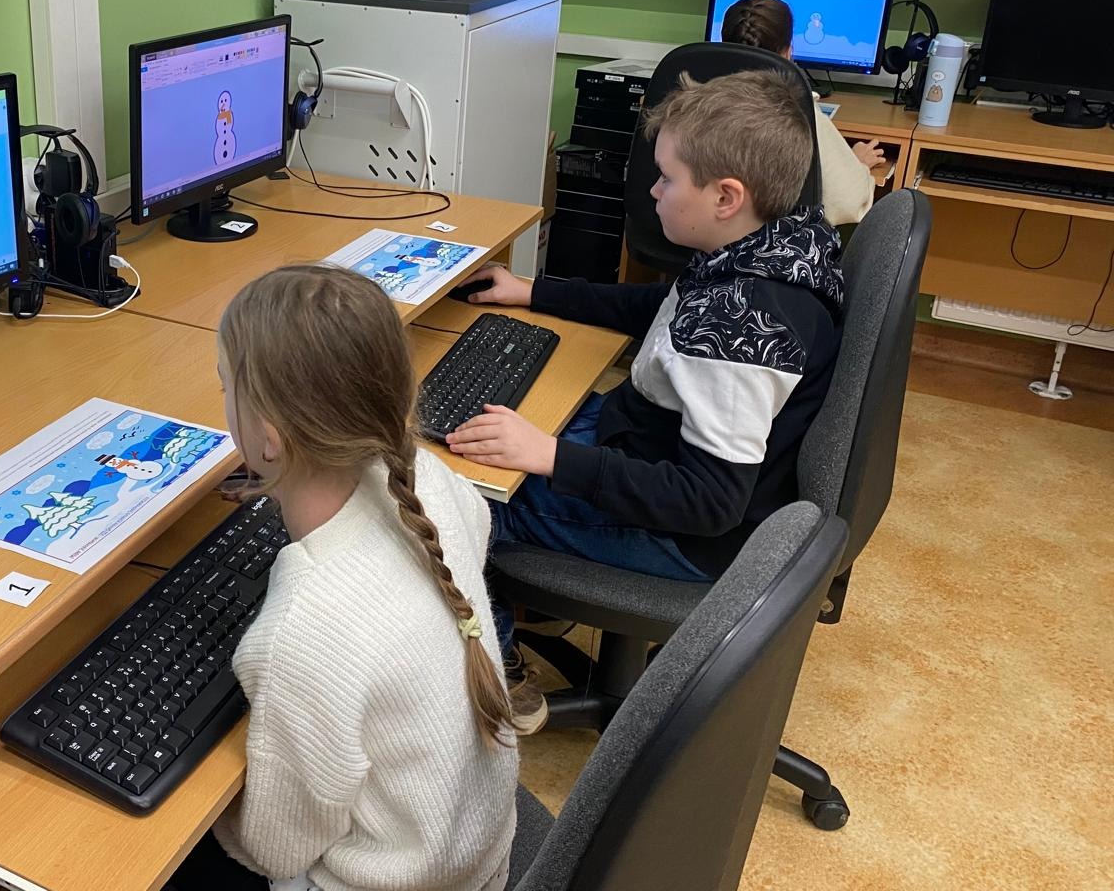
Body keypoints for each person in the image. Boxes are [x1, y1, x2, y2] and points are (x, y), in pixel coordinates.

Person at [449, 70, 844, 734]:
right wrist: (535, 292)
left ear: (726, 197)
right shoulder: (778, 243)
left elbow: (709, 502)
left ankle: (498, 671)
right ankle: (537, 592)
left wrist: (550, 457)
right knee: (499, 422)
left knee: (459, 493)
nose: (654, 191)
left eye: (666, 178)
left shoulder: (737, 332)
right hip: (649, 442)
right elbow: (665, 307)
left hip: (686, 534)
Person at [168, 264, 519, 891]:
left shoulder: (302, 632)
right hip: (476, 854)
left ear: (269, 439)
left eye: (225, 386)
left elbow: (276, 849)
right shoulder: (433, 481)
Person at [723, 0, 883, 226]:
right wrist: (857, 165)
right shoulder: (796, 112)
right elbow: (847, 203)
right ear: (788, 52)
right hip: (769, 244)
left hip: (700, 236)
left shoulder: (696, 103)